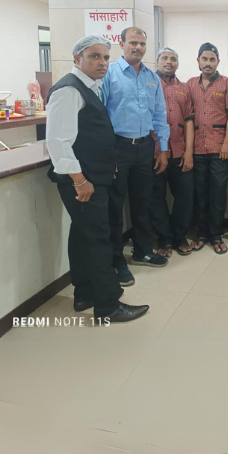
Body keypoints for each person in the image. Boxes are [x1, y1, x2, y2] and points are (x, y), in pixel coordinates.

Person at [46, 35, 149, 323]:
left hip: (93, 177)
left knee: (82, 237)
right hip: (82, 183)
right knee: (98, 240)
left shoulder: (91, 87)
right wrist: (80, 181)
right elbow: (58, 142)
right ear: (77, 59)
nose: (102, 62)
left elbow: (90, 136)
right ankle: (108, 305)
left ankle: (85, 294)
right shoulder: (69, 90)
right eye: (94, 56)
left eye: (105, 57)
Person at [103, 27, 170, 287]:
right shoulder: (109, 74)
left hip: (145, 147)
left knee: (143, 202)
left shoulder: (152, 78)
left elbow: (160, 116)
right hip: (117, 147)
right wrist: (106, 154)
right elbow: (100, 116)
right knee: (114, 206)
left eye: (142, 43)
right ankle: (116, 261)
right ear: (121, 44)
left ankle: (142, 250)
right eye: (133, 42)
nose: (138, 47)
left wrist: (162, 148)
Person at [186, 43, 228, 254]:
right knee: (200, 193)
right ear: (198, 61)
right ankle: (202, 234)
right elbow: (188, 118)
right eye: (204, 59)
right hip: (197, 148)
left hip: (219, 149)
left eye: (212, 59)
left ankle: (216, 235)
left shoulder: (227, 84)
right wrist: (189, 150)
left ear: (218, 62)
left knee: (217, 194)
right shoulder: (190, 85)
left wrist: (226, 143)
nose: (208, 63)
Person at [149, 47, 195, 258]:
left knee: (185, 196)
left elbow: (189, 121)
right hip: (154, 151)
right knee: (156, 197)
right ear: (157, 61)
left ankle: (180, 236)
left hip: (179, 151)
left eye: (173, 59)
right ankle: (164, 238)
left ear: (178, 63)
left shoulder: (184, 88)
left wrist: (188, 152)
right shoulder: (148, 84)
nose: (169, 62)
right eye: (165, 58)